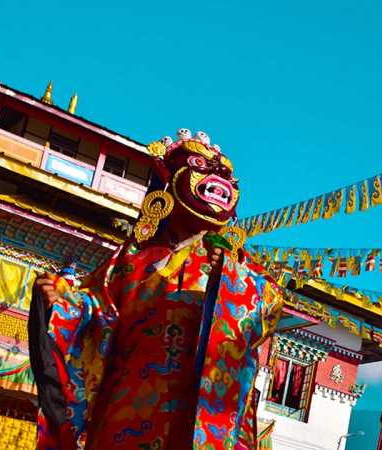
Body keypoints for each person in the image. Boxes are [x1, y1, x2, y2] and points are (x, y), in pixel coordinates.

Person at [28, 130, 283, 450]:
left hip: (196, 417)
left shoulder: (233, 265)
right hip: (128, 408)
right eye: (199, 166)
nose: (217, 180)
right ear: (168, 186)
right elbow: (96, 304)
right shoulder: (131, 259)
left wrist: (232, 281)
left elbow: (268, 306)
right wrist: (63, 303)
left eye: (224, 174)